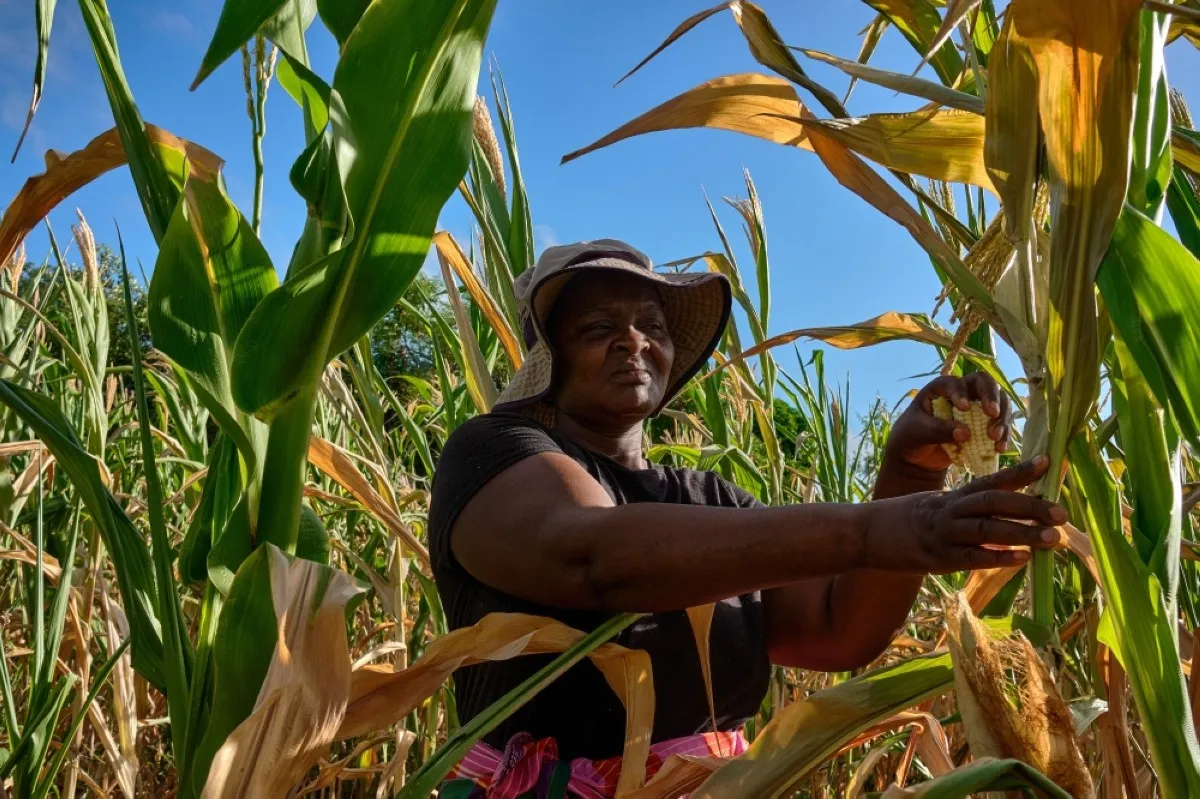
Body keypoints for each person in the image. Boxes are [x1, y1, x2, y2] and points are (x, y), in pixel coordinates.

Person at [429, 240, 1063, 798]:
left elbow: (837, 629)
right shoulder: (492, 453)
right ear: (551, 359)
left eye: (652, 324)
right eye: (598, 329)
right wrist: (881, 525)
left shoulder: (712, 501)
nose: (633, 341)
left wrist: (911, 474)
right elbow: (594, 557)